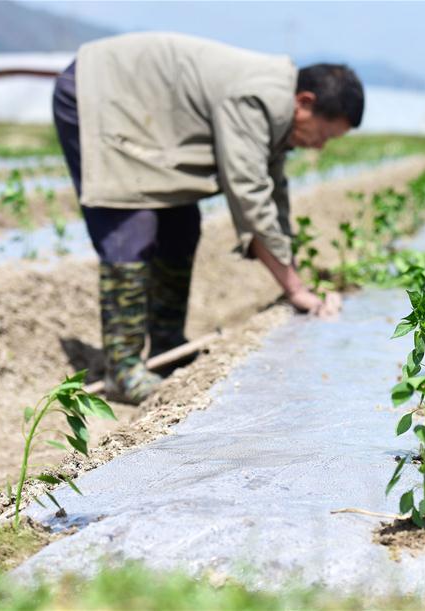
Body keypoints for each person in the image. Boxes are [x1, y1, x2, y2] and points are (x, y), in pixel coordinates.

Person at [52, 32, 364, 404]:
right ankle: (123, 368)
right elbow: (247, 191)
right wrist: (294, 288)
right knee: (131, 222)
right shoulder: (256, 98)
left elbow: (273, 195)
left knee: (181, 226)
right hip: (101, 90)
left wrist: (292, 272)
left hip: (149, 115)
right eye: (324, 135)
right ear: (304, 102)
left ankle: (168, 347)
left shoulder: (280, 110)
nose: (320, 146)